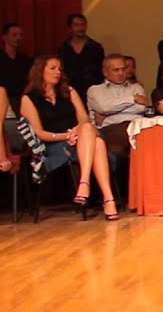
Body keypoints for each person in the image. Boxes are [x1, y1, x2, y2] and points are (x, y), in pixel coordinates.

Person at [20, 56, 120, 220]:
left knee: (88, 128)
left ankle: (84, 183)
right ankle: (108, 199)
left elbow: (84, 119)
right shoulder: (29, 99)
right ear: (40, 71)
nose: (58, 72)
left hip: (81, 135)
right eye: (53, 68)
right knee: (98, 143)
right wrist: (66, 136)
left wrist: (76, 131)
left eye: (59, 69)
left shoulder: (69, 91)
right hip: (54, 143)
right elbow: (40, 133)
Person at [86, 54, 149, 159]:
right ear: (105, 72)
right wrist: (133, 98)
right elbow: (104, 107)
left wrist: (110, 111)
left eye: (123, 69)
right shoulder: (95, 90)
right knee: (117, 149)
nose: (121, 73)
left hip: (138, 126)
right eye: (116, 70)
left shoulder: (136, 87)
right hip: (113, 129)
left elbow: (141, 108)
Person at [57, 13, 105, 98]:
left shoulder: (96, 47)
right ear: (69, 28)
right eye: (76, 25)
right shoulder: (63, 48)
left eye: (83, 25)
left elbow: (102, 69)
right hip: (70, 90)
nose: (80, 28)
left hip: (92, 90)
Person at [0, 23, 33, 104]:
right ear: (4, 37)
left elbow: (31, 79)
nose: (19, 38)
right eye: (14, 35)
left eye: (20, 35)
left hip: (21, 99)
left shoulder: (24, 59)